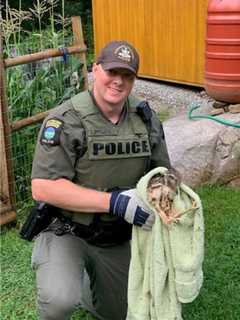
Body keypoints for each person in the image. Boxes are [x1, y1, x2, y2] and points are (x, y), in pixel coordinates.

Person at [31, 40, 171, 320]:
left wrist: (162, 191)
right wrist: (115, 202)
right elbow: (43, 188)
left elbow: (164, 171)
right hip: (68, 230)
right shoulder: (66, 120)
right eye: (111, 72)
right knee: (59, 299)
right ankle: (64, 273)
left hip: (116, 235)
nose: (118, 82)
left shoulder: (145, 118)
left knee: (123, 312)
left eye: (127, 75)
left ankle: (87, 285)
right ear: (96, 69)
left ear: (134, 79)